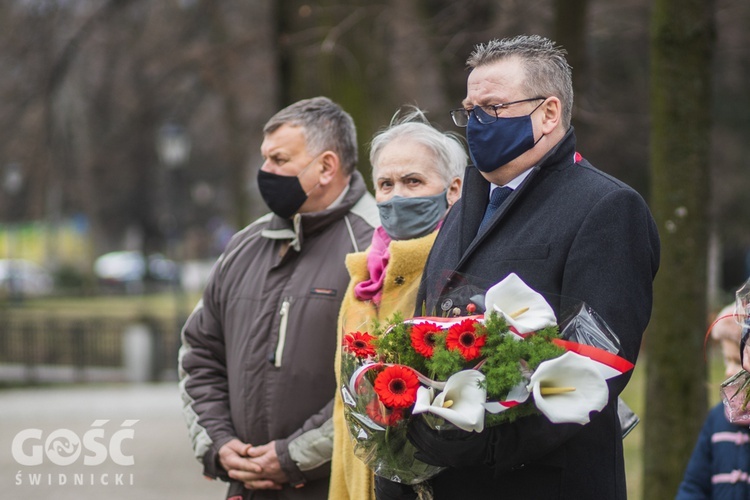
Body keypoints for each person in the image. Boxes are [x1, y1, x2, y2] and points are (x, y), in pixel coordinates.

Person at [375, 35, 661, 499]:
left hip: (539, 481)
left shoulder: (606, 207)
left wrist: (481, 441)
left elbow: (597, 365)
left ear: (548, 113)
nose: (476, 123)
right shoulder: (464, 208)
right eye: (469, 109)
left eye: (493, 107)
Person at [179, 96, 379, 500]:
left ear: (326, 167)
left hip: (334, 487)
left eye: (279, 159)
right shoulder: (243, 245)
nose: (265, 172)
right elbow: (199, 352)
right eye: (264, 158)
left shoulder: (375, 248)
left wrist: (292, 457)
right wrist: (219, 443)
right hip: (246, 486)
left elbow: (379, 380)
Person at [328, 108, 466, 500]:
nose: (397, 195)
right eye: (386, 184)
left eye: (413, 181)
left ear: (453, 189)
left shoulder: (459, 274)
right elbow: (344, 411)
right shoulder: (362, 281)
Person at [677, 304, 750, 499]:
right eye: (727, 361)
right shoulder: (717, 419)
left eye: (737, 361)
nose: (728, 371)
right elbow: (694, 486)